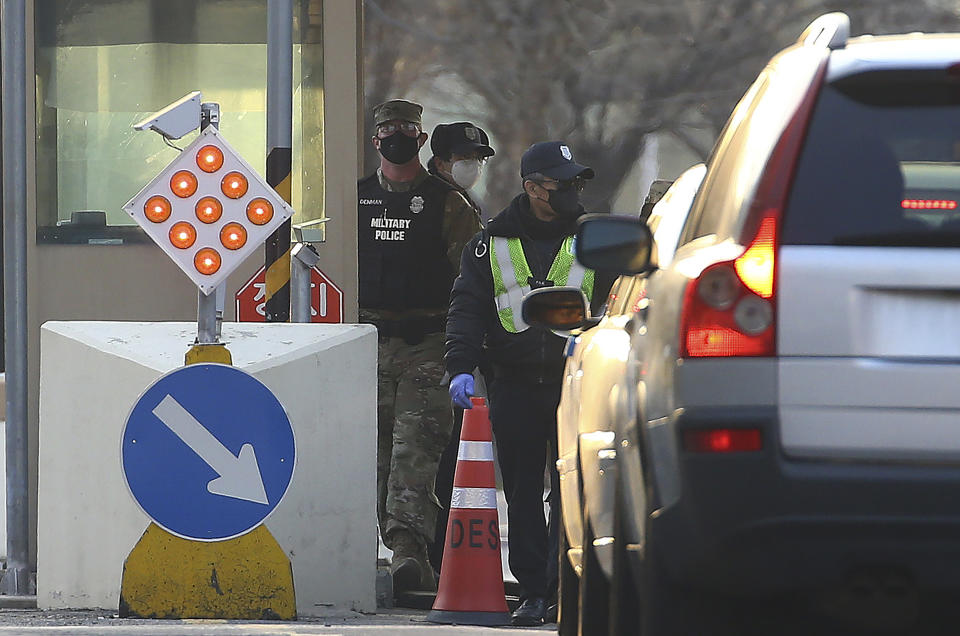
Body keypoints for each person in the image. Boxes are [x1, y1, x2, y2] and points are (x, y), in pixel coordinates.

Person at [444, 141, 612, 626]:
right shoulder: (489, 242)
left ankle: (568, 588)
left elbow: (620, 298)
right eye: (563, 184)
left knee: (572, 490)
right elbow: (468, 307)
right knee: (521, 492)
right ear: (534, 188)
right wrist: (460, 365)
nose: (573, 192)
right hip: (513, 383)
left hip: (576, 383)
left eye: (578, 183)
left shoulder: (593, 238)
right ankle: (534, 592)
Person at [358, 99, 481, 595]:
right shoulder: (355, 199)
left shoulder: (447, 203)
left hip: (427, 345)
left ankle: (410, 552)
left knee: (416, 451)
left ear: (421, 138)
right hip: (367, 344)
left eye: (407, 129)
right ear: (375, 140)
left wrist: (464, 350)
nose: (397, 137)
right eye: (389, 130)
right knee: (377, 455)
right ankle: (392, 545)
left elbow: (472, 280)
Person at [425, 121, 496, 574]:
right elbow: (466, 282)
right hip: (437, 340)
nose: (473, 167)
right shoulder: (444, 202)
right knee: (436, 452)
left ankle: (434, 553)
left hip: (449, 339)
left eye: (478, 159)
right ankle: (434, 553)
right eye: (464, 158)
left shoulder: (462, 202)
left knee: (441, 450)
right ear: (442, 160)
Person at [427, 122, 495, 223]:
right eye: (466, 157)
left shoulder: (471, 202)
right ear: (440, 164)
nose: (475, 164)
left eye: (479, 158)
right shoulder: (429, 201)